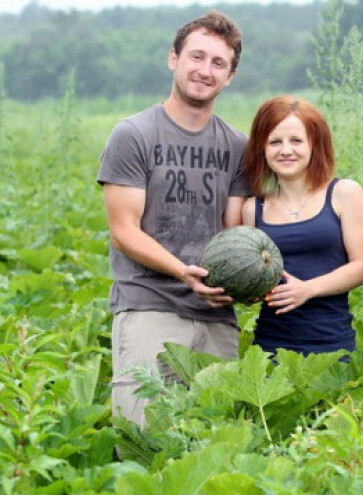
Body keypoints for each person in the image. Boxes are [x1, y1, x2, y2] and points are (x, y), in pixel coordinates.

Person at [97, 11, 249, 426]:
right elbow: (125, 231)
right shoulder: (134, 134)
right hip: (150, 305)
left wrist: (246, 278)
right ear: (173, 59)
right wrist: (184, 272)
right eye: (196, 57)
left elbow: (234, 232)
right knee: (143, 435)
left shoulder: (238, 146)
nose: (205, 70)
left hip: (216, 312)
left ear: (231, 76)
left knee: (215, 439)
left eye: (218, 63)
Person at [241, 96, 363, 356]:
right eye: (275, 142)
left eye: (296, 141)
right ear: (261, 148)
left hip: (332, 346)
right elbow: (252, 277)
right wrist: (249, 291)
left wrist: (308, 289)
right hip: (270, 346)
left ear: (315, 144)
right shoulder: (252, 210)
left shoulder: (344, 193)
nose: (286, 150)